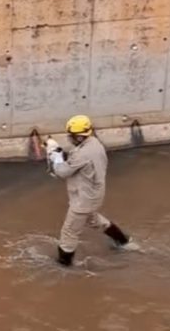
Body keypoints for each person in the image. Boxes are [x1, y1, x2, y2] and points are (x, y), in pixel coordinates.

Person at [46, 114, 130, 266]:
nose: (69, 138)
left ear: (79, 137)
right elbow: (77, 163)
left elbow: (62, 172)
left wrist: (56, 158)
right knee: (94, 220)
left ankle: (63, 266)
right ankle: (123, 241)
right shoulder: (96, 144)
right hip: (95, 195)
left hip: (82, 200)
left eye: (71, 135)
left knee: (69, 233)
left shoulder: (81, 154)